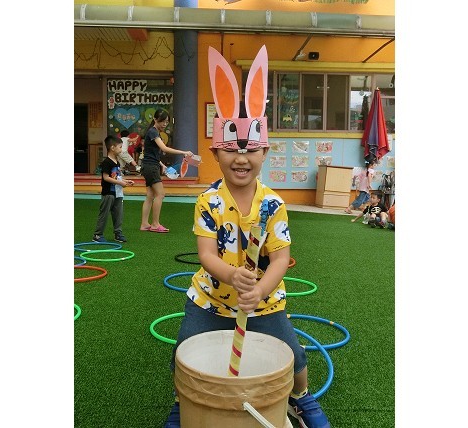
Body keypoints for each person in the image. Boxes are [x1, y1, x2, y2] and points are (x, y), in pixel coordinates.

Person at [164, 45, 330, 428]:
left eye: (251, 150)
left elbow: (281, 258)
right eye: (231, 150)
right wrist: (230, 275)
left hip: (264, 303)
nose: (242, 158)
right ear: (215, 153)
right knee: (183, 352)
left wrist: (259, 290)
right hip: (210, 300)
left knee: (293, 354)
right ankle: (181, 400)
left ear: (265, 152)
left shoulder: (273, 204)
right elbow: (206, 255)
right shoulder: (208, 201)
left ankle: (301, 397)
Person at [139, 108, 193, 233]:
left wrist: (162, 164)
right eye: (162, 121)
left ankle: (144, 224)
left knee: (150, 196)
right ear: (155, 119)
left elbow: (150, 154)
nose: (164, 124)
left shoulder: (153, 132)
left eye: (166, 122)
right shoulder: (153, 132)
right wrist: (183, 152)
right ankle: (155, 224)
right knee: (160, 194)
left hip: (149, 166)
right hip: (151, 167)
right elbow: (164, 148)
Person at [92, 135, 134, 243]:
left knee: (118, 214)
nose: (121, 149)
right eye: (120, 147)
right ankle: (97, 235)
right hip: (108, 193)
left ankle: (118, 233)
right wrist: (120, 182)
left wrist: (125, 181)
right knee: (104, 214)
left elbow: (116, 177)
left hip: (118, 193)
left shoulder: (117, 162)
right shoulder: (106, 162)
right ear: (112, 148)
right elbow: (106, 177)